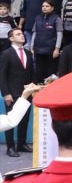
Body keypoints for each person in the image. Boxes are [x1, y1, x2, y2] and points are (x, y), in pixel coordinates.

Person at [0, 28, 34, 157]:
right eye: (18, 34)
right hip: (12, 92)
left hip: (26, 91)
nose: (22, 35)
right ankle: (10, 147)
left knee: (24, 118)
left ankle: (21, 143)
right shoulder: (6, 54)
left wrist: (32, 87)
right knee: (10, 120)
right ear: (11, 38)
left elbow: (31, 72)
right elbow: (2, 75)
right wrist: (5, 93)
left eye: (22, 33)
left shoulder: (28, 53)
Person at [30, 0, 62, 82]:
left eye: (47, 6)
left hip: (51, 50)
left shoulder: (56, 18)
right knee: (39, 72)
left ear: (52, 8)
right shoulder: (37, 18)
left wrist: (57, 49)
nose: (44, 8)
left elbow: (59, 34)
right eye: (43, 6)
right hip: (38, 49)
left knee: (51, 73)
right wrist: (31, 47)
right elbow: (34, 33)